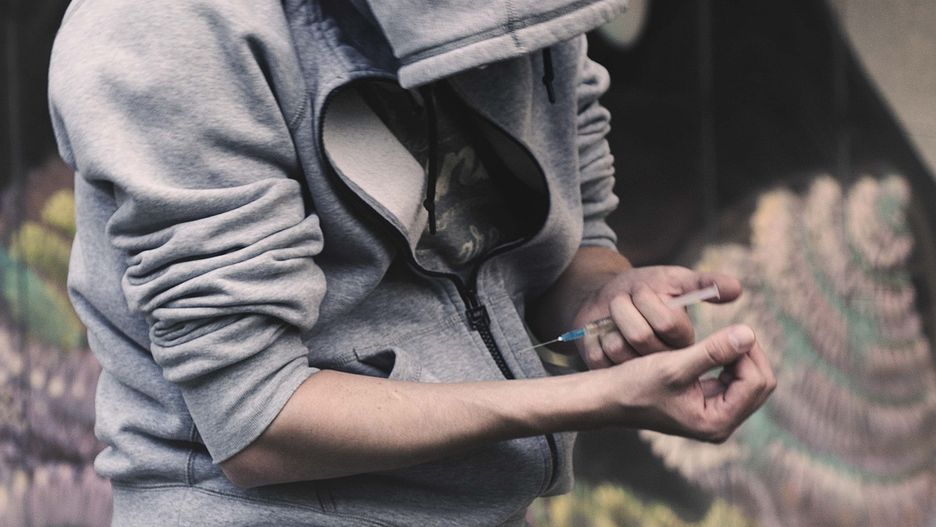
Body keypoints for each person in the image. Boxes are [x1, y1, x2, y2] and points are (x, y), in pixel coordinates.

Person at [48, 0, 775, 525]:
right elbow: (258, 423)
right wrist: (600, 397)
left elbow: (565, 242)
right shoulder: (166, 27)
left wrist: (606, 294)